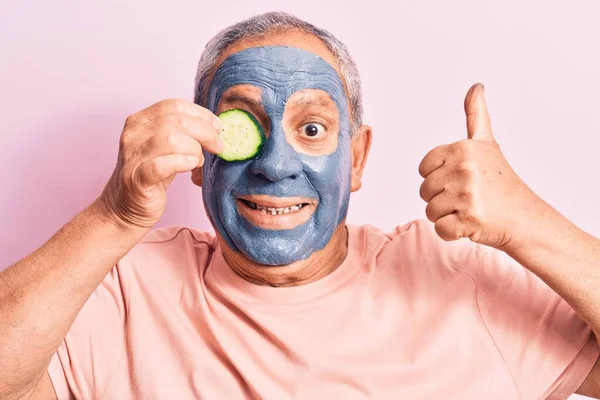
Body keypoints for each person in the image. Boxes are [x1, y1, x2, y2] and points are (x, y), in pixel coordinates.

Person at [1, 11, 599, 400]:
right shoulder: (122, 287)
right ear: (201, 152)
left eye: (312, 128)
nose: (276, 164)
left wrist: (527, 224)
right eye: (244, 124)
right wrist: (113, 216)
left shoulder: (460, 275)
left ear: (357, 159)